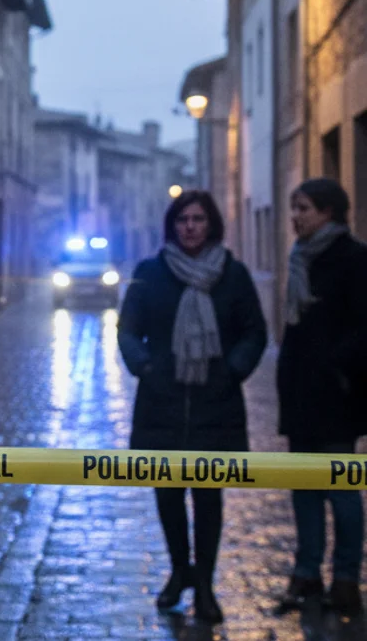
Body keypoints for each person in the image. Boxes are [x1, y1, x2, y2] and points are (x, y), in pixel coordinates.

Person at [117, 190, 267, 623]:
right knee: (167, 495)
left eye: (198, 219)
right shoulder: (150, 273)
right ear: (172, 225)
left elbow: (254, 332)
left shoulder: (232, 275)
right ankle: (179, 569)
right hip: (160, 403)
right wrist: (145, 367)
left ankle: (204, 583)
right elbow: (128, 330)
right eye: (183, 219)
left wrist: (233, 370)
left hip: (214, 403)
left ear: (211, 224)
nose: (190, 227)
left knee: (208, 498)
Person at [276, 178, 367, 614]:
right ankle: (307, 573)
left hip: (336, 396)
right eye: (294, 208)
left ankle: (346, 579)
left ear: (328, 212)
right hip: (300, 394)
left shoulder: (354, 258)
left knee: (341, 489)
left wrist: (335, 365)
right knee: (304, 488)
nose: (295, 217)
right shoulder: (300, 257)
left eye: (304, 208)